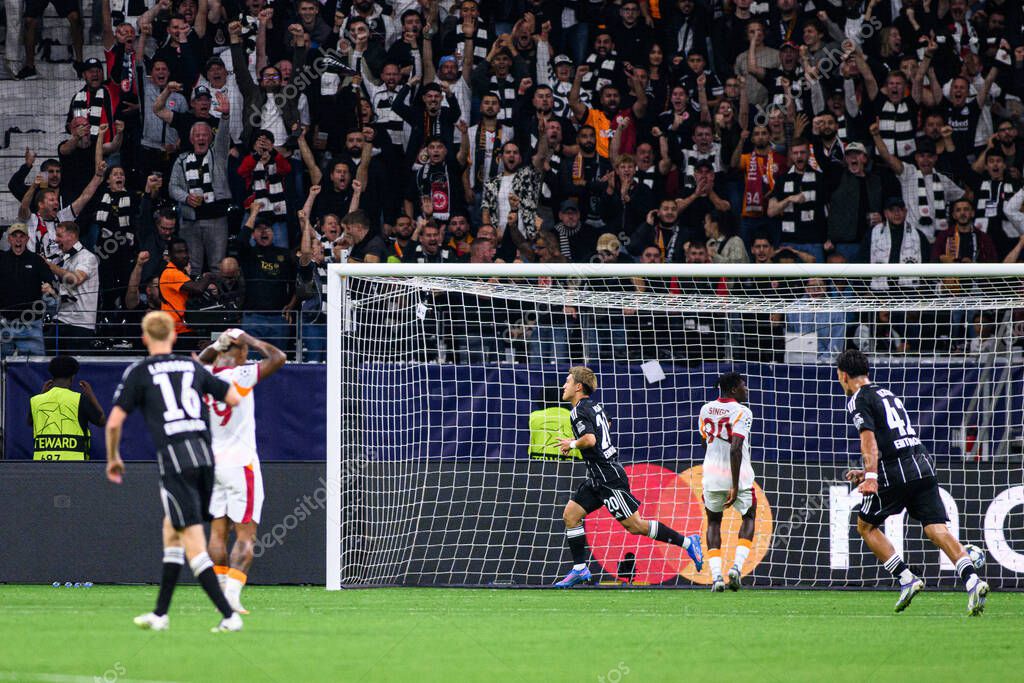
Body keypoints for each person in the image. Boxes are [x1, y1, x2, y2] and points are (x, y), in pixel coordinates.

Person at [105, 310, 244, 632]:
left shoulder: (140, 371)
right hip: (205, 459)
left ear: (144, 337)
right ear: (172, 335)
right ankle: (160, 614)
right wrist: (209, 377)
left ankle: (229, 616)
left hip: (176, 461)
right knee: (172, 531)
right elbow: (234, 398)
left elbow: (113, 423)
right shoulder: (192, 366)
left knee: (193, 543)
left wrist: (113, 458)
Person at [836, 349, 989, 615]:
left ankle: (906, 578)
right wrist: (868, 470)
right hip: (921, 462)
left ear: (843, 375)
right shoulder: (888, 394)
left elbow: (868, 438)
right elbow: (893, 437)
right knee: (935, 529)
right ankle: (973, 581)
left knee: (866, 526)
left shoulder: (857, 398)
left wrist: (871, 476)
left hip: (897, 471)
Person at [554, 366, 703, 588]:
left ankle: (688, 542)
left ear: (578, 387)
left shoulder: (576, 411)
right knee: (571, 515)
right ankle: (579, 568)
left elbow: (591, 440)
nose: (563, 386)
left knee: (636, 526)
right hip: (598, 476)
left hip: (608, 477)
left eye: (567, 382)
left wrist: (572, 443)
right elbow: (607, 423)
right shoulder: (595, 406)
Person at [197, 328, 286, 614]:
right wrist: (249, 339)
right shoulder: (240, 376)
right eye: (245, 352)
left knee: (217, 533)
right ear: (242, 354)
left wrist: (217, 344)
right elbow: (278, 357)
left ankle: (220, 594)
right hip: (241, 463)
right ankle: (232, 597)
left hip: (215, 463)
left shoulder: (208, 378)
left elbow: (199, 363)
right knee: (246, 535)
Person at [698, 372, 756, 592]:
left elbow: (704, 440)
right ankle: (737, 568)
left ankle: (716, 578)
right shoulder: (743, 412)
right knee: (749, 516)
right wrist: (733, 482)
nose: (746, 389)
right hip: (738, 475)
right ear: (733, 389)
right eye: (744, 386)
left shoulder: (705, 409)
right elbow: (735, 448)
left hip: (712, 474)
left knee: (713, 522)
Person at [28, 355, 105, 460]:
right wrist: (91, 396)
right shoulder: (79, 399)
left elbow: (30, 422)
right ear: (73, 376)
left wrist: (42, 394)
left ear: (52, 376)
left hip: (42, 465)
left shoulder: (36, 400)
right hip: (74, 466)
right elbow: (102, 421)